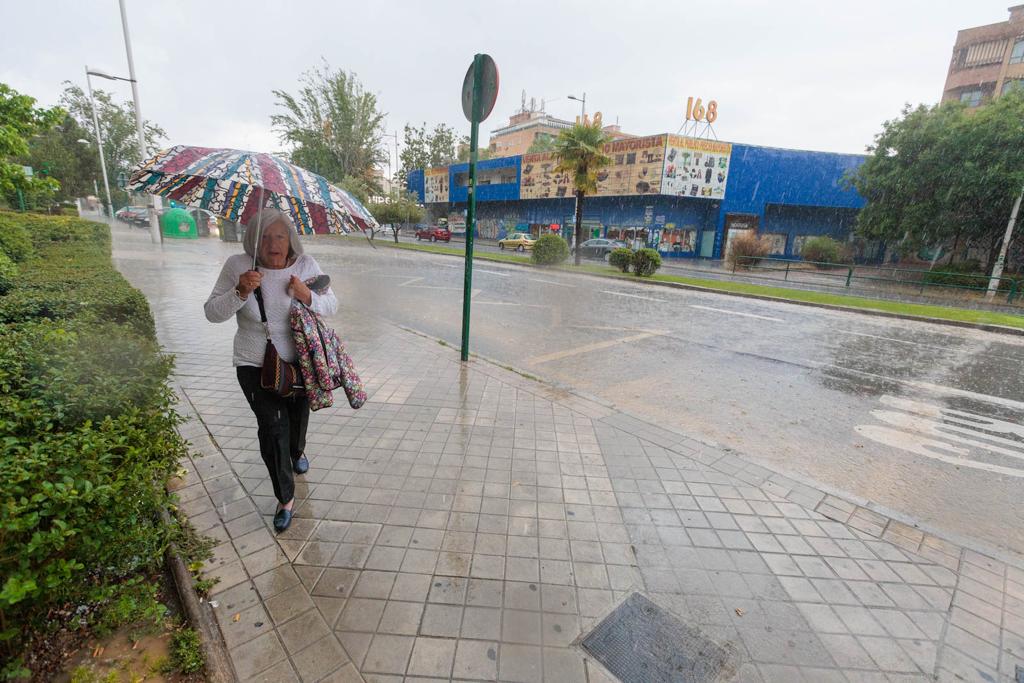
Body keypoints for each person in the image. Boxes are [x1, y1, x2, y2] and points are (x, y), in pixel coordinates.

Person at [204, 209, 337, 532]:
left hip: (302, 363)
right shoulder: (239, 266)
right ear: (253, 239)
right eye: (264, 236)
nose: (272, 243)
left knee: (297, 420)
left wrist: (308, 296)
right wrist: (240, 292)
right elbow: (211, 313)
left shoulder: (306, 266)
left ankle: (297, 451)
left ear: (290, 239)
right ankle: (285, 498)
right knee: (273, 428)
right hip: (255, 364)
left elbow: (332, 305)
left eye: (279, 236)